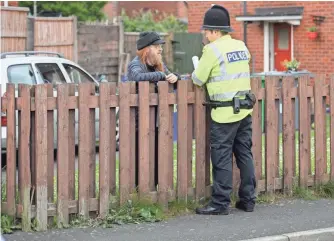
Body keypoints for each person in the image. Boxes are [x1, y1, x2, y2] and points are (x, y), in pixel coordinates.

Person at [192, 5, 257, 215]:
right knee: (244, 155)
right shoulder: (241, 46)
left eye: (206, 31)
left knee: (221, 158)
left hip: (223, 114)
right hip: (244, 111)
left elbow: (198, 79)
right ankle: (248, 200)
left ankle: (220, 203)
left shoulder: (212, 50)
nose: (205, 34)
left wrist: (198, 69)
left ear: (215, 32)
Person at [127, 31, 179, 188]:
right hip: (139, 123)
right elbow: (137, 77)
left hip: (157, 121)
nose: (160, 50)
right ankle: (138, 190)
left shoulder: (159, 65)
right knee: (140, 158)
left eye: (160, 47)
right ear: (146, 49)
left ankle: (155, 187)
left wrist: (176, 77)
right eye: (156, 46)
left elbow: (171, 76)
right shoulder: (135, 64)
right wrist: (161, 75)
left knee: (157, 157)